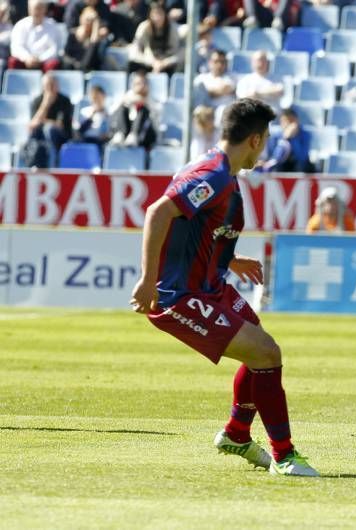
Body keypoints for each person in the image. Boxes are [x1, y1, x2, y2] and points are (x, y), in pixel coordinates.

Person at [129, 97, 319, 477]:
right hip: (180, 296)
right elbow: (159, 212)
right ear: (254, 139)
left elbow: (193, 226)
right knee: (267, 353)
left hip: (210, 285)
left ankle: (236, 433)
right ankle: (284, 455)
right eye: (264, 140)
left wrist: (230, 260)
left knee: (261, 351)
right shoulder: (213, 174)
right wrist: (148, 281)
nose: (262, 148)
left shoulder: (222, 172)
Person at [26, 72, 73, 167]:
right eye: (48, 86)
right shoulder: (37, 100)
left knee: (49, 129)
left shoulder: (64, 101)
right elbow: (32, 125)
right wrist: (45, 105)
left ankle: (52, 163)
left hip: (61, 136)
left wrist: (43, 122)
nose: (50, 89)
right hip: (40, 136)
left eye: (52, 85)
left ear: (57, 86)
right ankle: (33, 163)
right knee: (35, 132)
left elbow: (59, 125)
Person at [128, 1, 182, 75]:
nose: (157, 18)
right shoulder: (144, 27)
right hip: (149, 62)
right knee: (133, 65)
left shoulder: (173, 29)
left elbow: (177, 53)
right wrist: (152, 62)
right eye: (154, 14)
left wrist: (164, 63)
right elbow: (134, 52)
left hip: (168, 64)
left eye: (160, 14)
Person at [8, 0, 62, 71]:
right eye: (35, 8)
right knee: (13, 61)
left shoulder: (53, 26)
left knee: (53, 64)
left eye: (40, 8)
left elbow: (54, 49)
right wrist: (27, 58)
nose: (37, 11)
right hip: (25, 61)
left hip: (44, 62)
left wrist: (40, 59)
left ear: (45, 9)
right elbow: (16, 47)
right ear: (29, 9)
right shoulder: (20, 25)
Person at [109, 70, 158, 149]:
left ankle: (134, 136)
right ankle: (120, 134)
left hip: (146, 134)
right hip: (127, 132)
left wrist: (145, 102)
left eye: (144, 83)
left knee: (143, 109)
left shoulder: (153, 100)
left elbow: (156, 119)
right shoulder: (126, 97)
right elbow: (111, 112)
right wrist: (126, 101)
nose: (141, 87)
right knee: (122, 108)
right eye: (138, 84)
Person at [260, 107, 313, 173]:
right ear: (281, 122)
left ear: (297, 120)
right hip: (280, 167)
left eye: (291, 121)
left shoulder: (305, 134)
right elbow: (274, 159)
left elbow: (302, 157)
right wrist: (285, 139)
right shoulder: (275, 135)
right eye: (285, 121)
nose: (288, 124)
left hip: (298, 168)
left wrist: (293, 138)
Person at [62, 5, 108, 71]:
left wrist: (96, 26)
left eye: (91, 20)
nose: (88, 22)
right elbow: (67, 55)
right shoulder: (72, 35)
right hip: (72, 68)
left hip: (89, 69)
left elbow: (89, 61)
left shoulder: (96, 39)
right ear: (81, 18)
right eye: (87, 19)